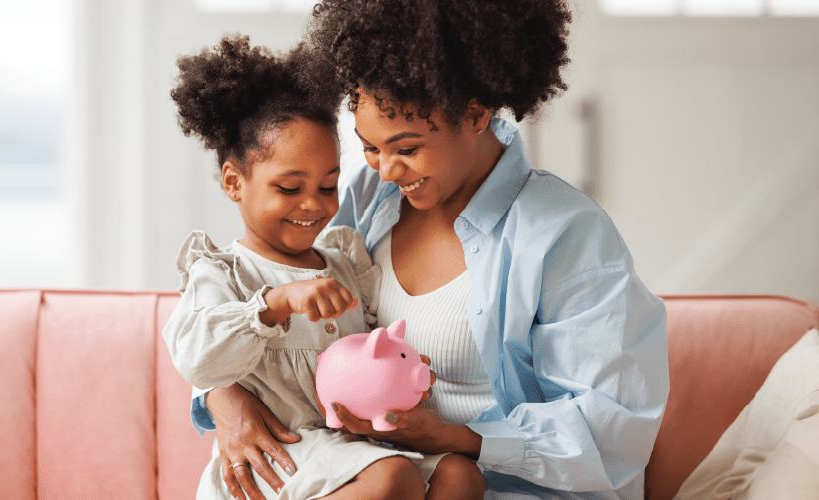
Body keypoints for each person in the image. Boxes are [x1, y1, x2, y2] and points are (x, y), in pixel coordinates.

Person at [194, 1, 670, 499]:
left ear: (476, 114)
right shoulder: (365, 197)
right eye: (370, 147)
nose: (386, 170)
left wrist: (456, 438)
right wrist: (223, 397)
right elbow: (249, 290)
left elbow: (613, 432)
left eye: (407, 148)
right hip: (378, 476)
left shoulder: (565, 233)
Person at [162, 34, 487, 500]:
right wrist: (274, 305)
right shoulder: (222, 272)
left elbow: (374, 341)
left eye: (328, 186)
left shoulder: (343, 260)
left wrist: (403, 371)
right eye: (289, 188)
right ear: (234, 182)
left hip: (349, 448)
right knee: (393, 478)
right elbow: (196, 358)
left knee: (460, 475)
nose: (313, 205)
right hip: (280, 456)